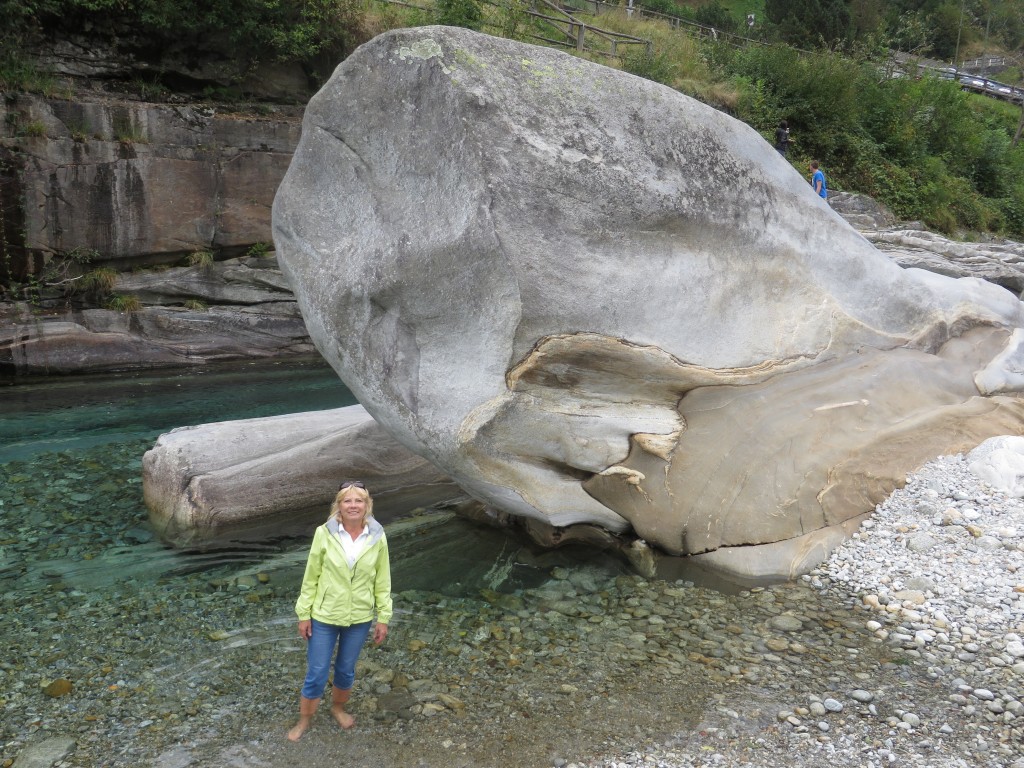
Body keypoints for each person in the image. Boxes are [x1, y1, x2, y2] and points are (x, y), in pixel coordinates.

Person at [287, 480, 392, 741]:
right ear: (339, 505)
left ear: (367, 505)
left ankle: (337, 708)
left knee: (346, 669)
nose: (353, 505)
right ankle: (304, 720)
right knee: (317, 671)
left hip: (359, 618)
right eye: (348, 500)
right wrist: (303, 613)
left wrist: (383, 617)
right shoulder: (324, 533)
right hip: (324, 616)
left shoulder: (378, 536)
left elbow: (383, 579)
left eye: (359, 501)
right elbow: (311, 576)